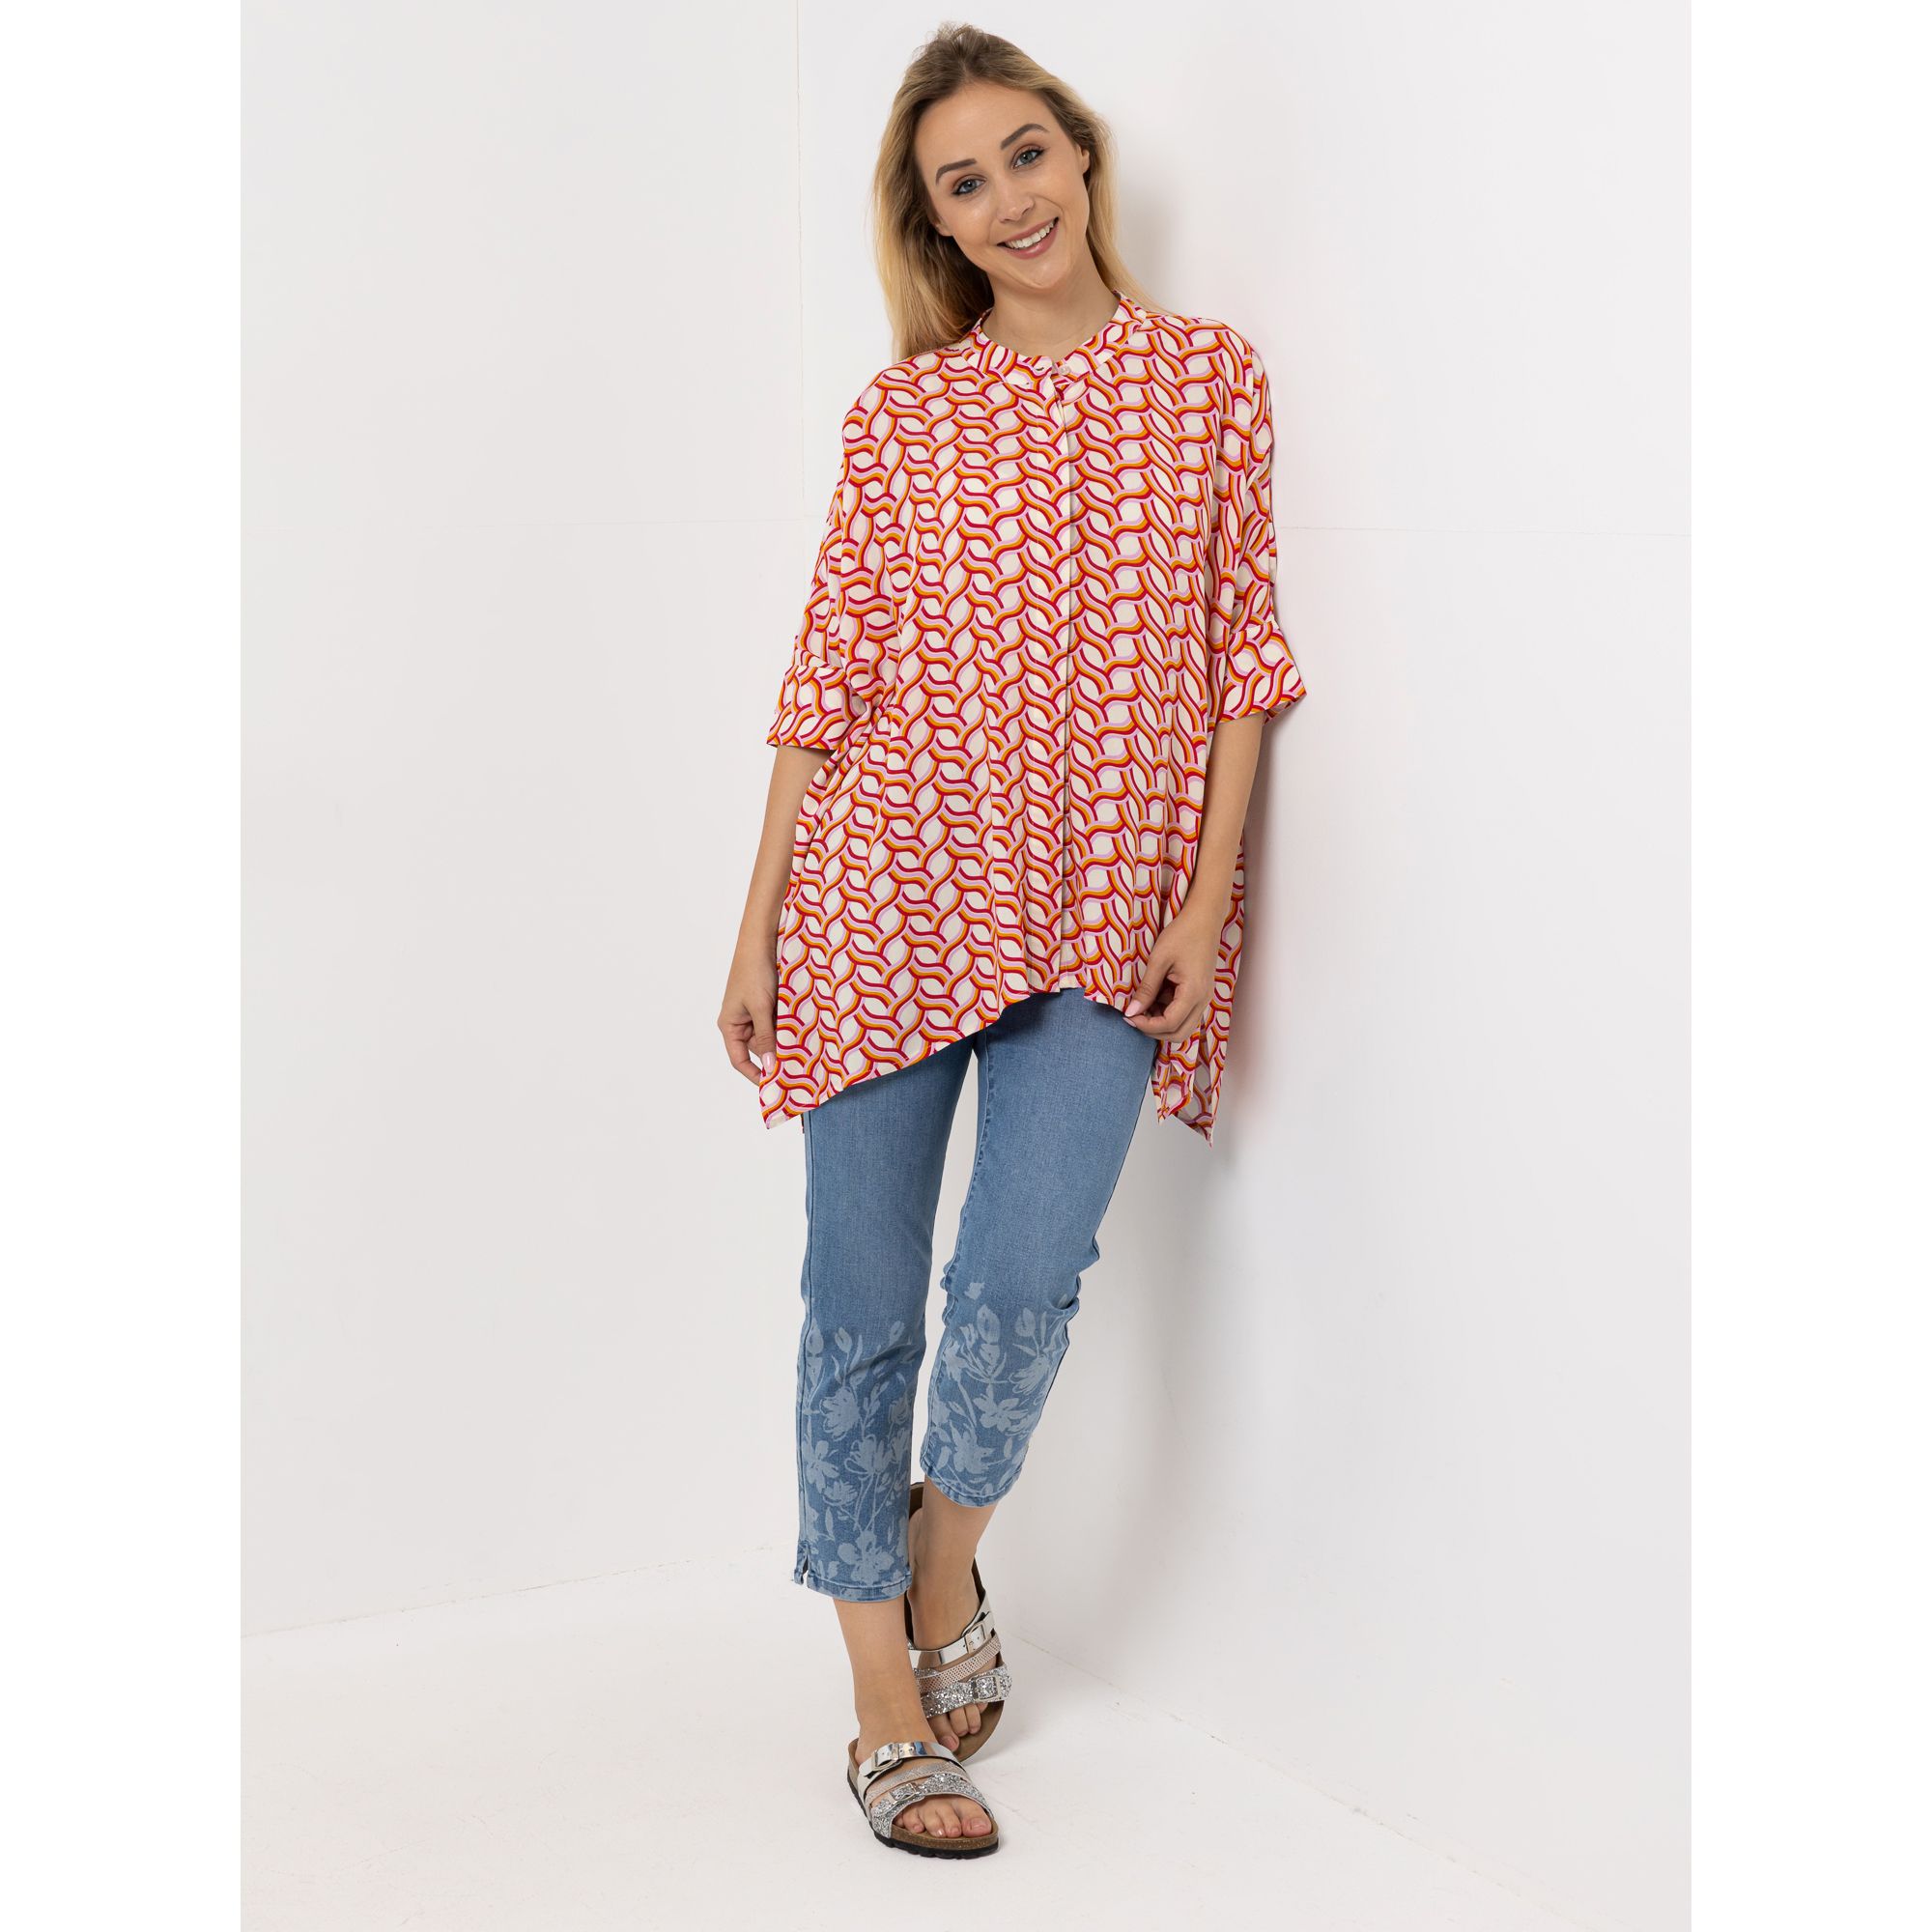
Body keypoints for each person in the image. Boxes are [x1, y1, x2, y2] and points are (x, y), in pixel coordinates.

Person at [717, 25, 1306, 1859]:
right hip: (886, 901)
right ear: (939, 226)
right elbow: (827, 680)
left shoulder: (1208, 379)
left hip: (1110, 917)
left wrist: (1203, 903)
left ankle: (937, 1554)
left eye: (1026, 154)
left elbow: (1243, 660)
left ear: (1083, 157)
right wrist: (759, 926)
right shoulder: (903, 417)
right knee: (859, 1305)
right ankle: (881, 1696)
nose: (1008, 200)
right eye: (962, 183)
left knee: (1024, 1279)